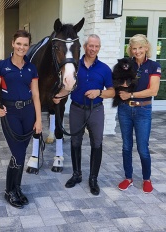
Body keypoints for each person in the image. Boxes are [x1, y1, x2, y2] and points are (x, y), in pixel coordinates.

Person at [54, 34, 115, 196]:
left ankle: (93, 179)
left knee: (97, 143)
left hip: (96, 110)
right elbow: (68, 86)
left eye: (96, 46)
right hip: (76, 109)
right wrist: (59, 96)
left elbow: (112, 92)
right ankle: (76, 175)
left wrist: (99, 92)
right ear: (85, 46)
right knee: (75, 141)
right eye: (91, 46)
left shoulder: (104, 69)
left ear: (99, 48)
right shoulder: (75, 65)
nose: (93, 49)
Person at [0, 30, 42, 208]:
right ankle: (9, 190)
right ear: (13, 43)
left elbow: (36, 94)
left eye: (25, 44)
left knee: (21, 152)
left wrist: (39, 119)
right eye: (19, 43)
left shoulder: (31, 67)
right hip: (10, 113)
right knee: (18, 153)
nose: (22, 47)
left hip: (28, 112)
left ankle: (17, 188)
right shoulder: (1, 66)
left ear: (29, 47)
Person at [117, 34, 161, 193]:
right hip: (124, 110)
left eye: (140, 47)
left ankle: (146, 179)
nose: (137, 51)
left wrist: (131, 94)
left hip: (143, 110)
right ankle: (128, 177)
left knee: (143, 147)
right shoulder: (126, 64)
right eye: (134, 48)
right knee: (126, 146)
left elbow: (153, 90)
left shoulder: (154, 66)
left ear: (146, 47)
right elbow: (119, 83)